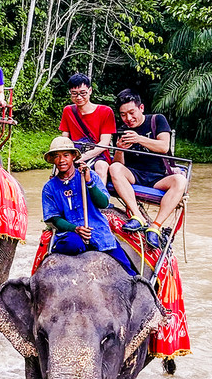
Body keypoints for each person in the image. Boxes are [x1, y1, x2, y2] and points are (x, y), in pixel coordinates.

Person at [41, 136, 135, 273]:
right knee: (69, 245)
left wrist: (89, 182)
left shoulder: (90, 175)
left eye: (66, 155)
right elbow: (53, 218)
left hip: (97, 230)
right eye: (56, 156)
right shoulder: (49, 187)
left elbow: (103, 203)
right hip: (72, 234)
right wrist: (75, 229)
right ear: (52, 160)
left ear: (73, 156)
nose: (61, 160)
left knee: (127, 269)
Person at [109, 88, 187, 250]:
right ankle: (137, 215)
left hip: (159, 176)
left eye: (131, 112)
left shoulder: (157, 120)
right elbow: (118, 163)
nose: (128, 118)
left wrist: (138, 138)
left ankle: (156, 226)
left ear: (141, 108)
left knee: (180, 180)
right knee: (115, 168)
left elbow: (164, 146)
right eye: (123, 115)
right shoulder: (121, 129)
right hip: (134, 174)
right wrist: (119, 149)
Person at [58, 72, 115, 184]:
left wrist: (84, 157)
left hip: (98, 155)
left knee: (101, 167)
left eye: (83, 93)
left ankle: (100, 200)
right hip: (75, 152)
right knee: (60, 170)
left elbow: (104, 143)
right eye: (74, 94)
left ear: (90, 91)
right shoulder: (68, 111)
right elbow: (65, 139)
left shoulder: (106, 112)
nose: (79, 97)